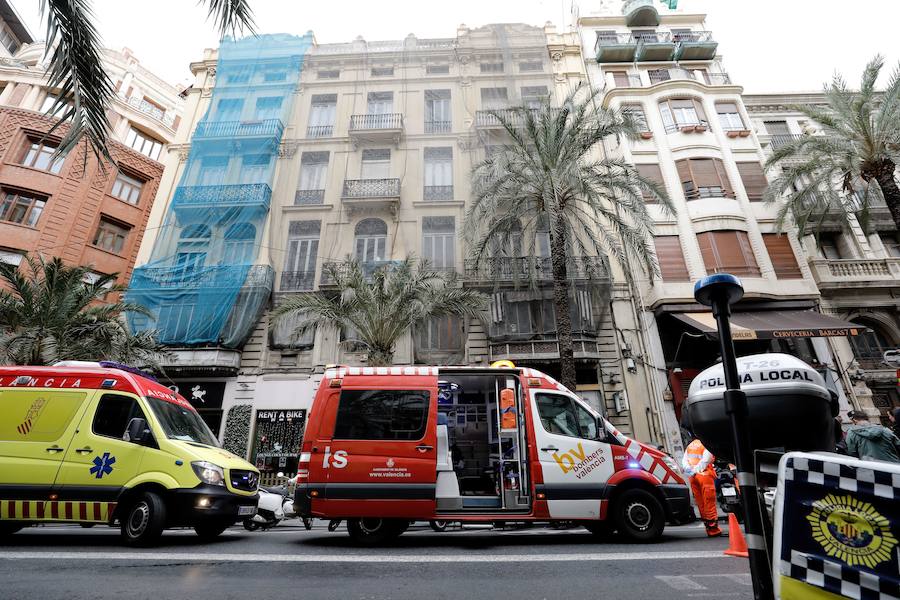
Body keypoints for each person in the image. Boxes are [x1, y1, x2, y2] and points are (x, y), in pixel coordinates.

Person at [681, 438, 722, 537]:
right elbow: (706, 460)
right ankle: (713, 529)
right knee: (709, 502)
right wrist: (696, 470)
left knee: (701, 503)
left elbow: (684, 461)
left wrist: (691, 471)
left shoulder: (691, 445)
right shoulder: (706, 443)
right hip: (704, 475)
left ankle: (708, 527)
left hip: (693, 477)